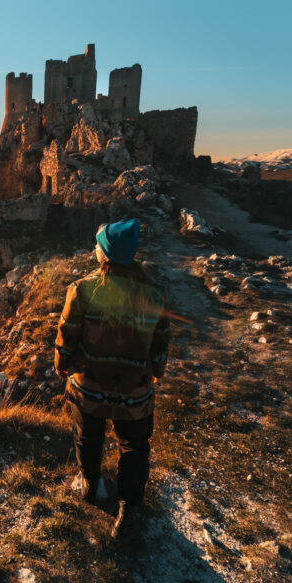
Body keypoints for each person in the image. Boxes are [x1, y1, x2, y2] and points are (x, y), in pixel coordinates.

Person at [54, 218, 170, 540]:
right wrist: (155, 373)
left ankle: (91, 483)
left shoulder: (82, 290)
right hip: (134, 393)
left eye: (98, 245)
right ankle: (128, 511)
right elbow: (160, 344)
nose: (94, 248)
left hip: (89, 387)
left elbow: (66, 335)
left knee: (88, 435)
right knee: (134, 446)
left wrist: (62, 365)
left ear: (104, 254)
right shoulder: (153, 295)